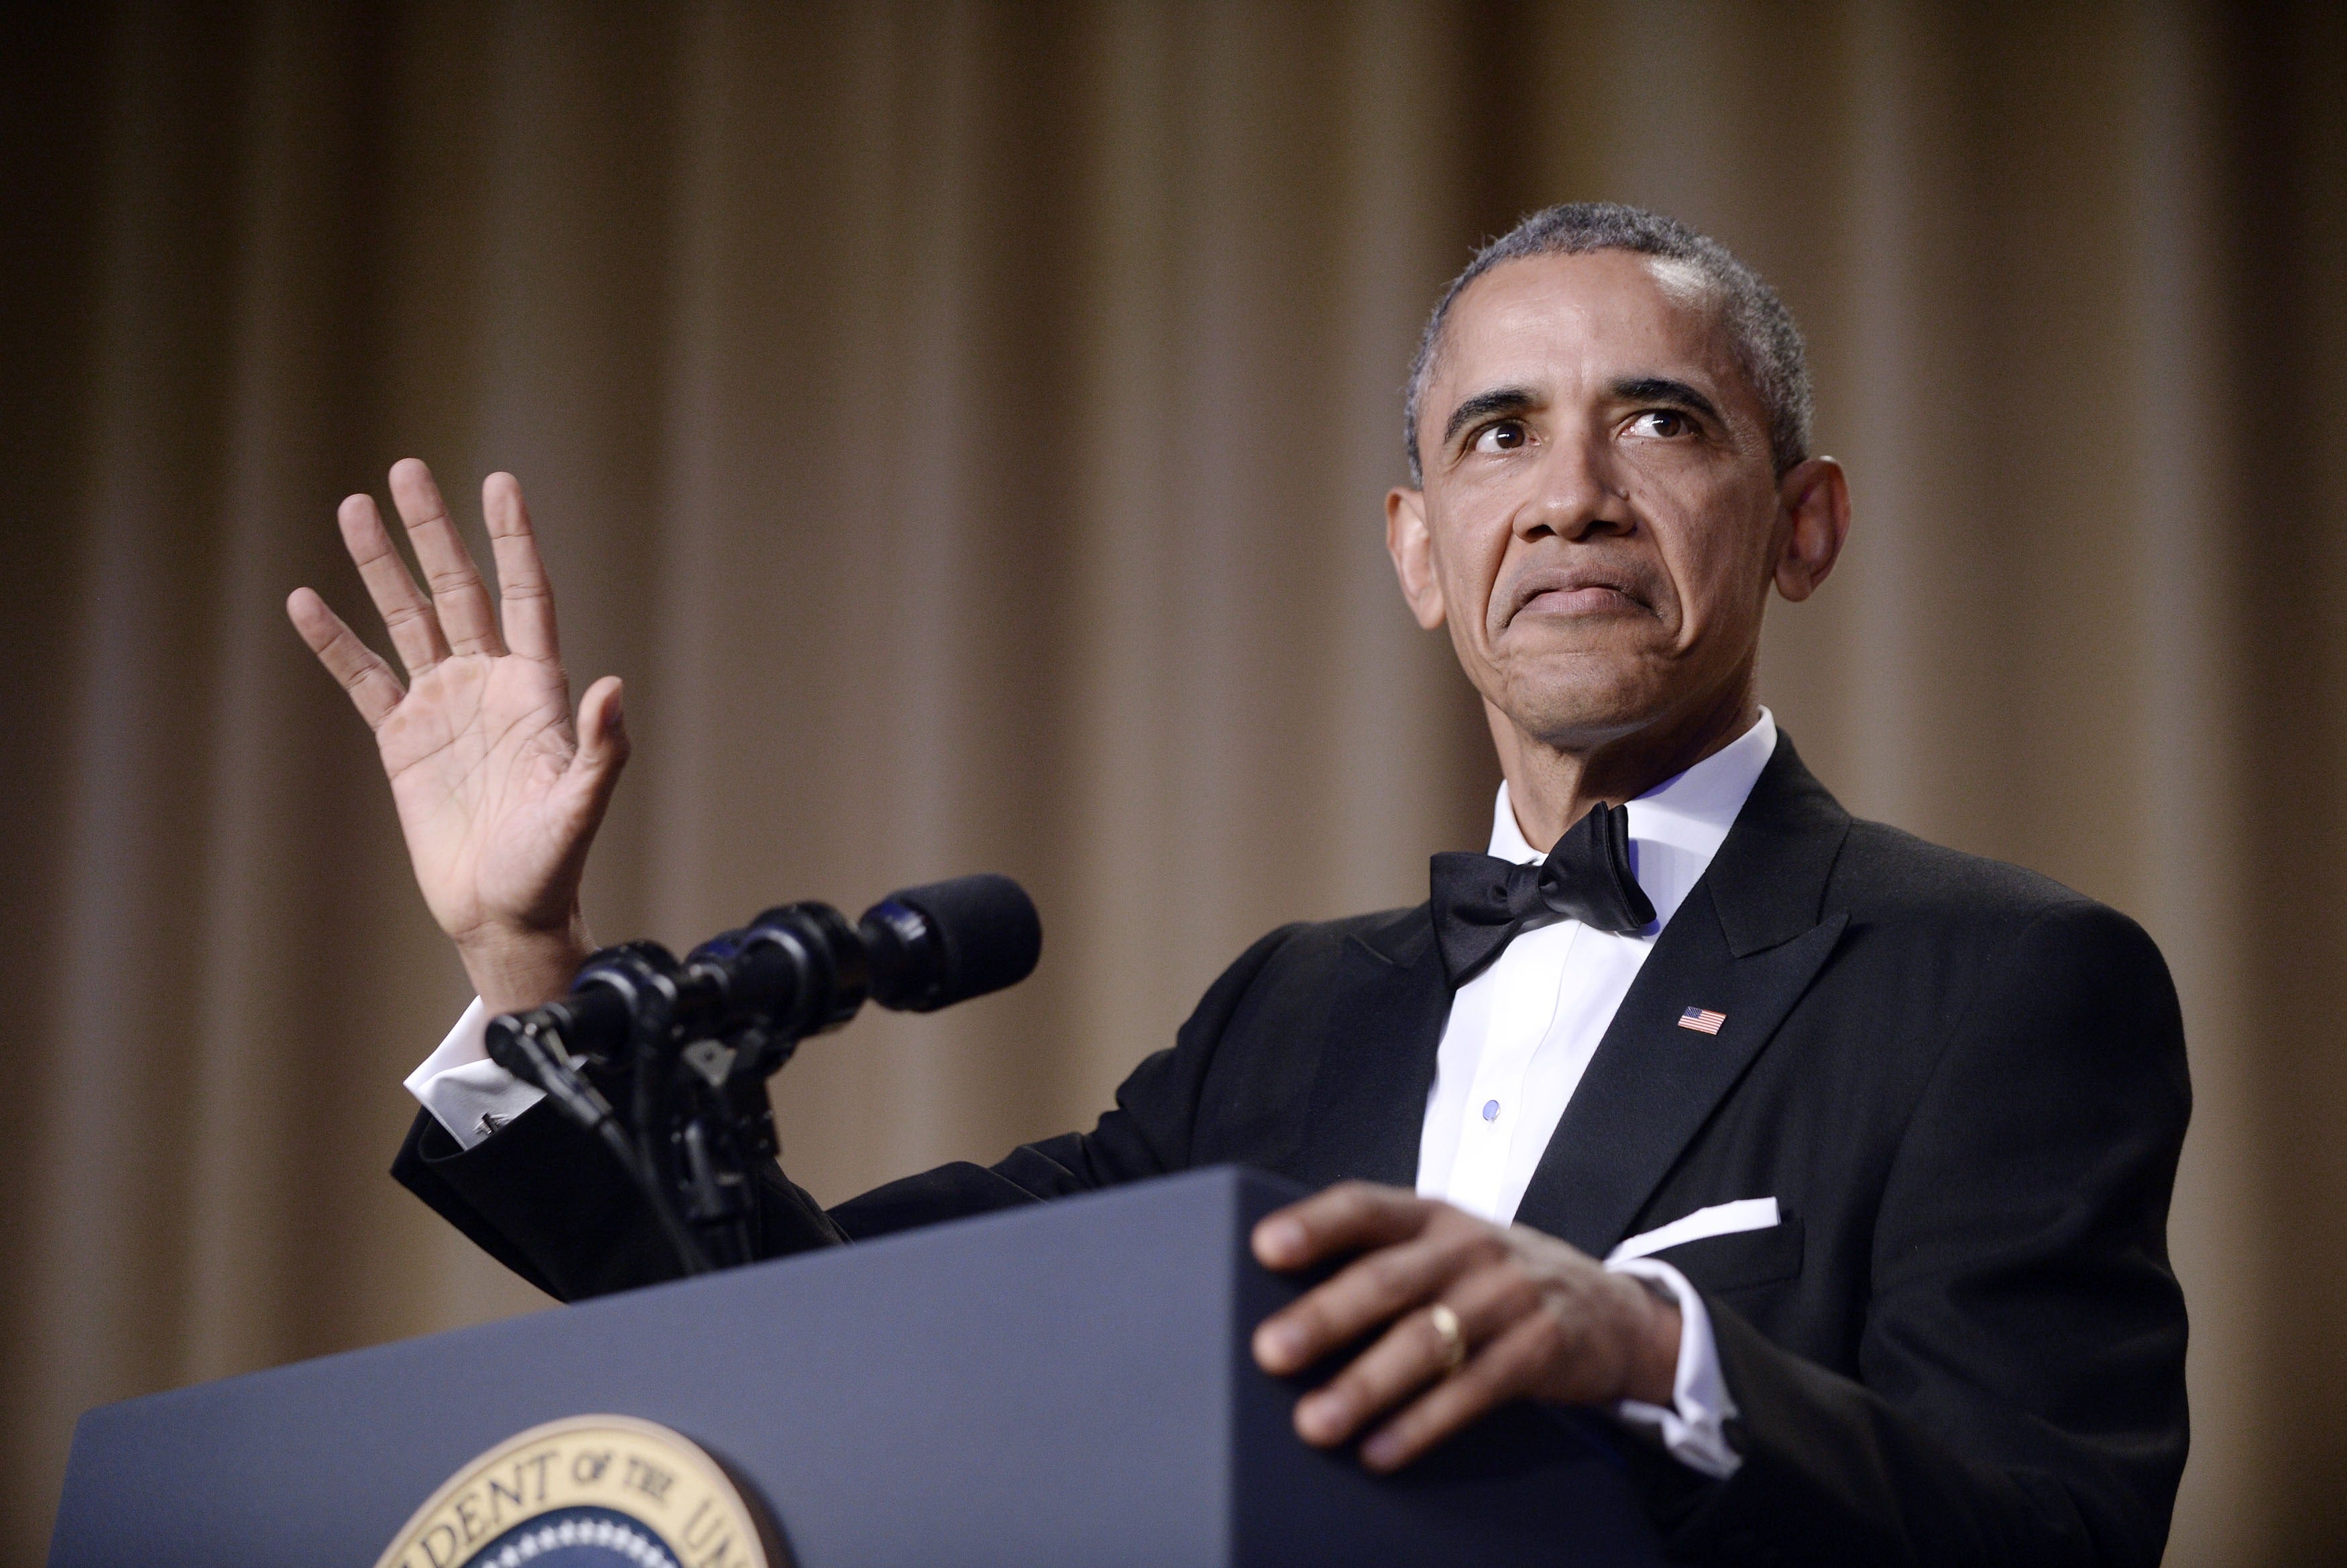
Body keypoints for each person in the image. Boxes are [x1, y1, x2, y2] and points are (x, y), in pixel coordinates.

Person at [288, 203, 2189, 1565]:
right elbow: (813, 1321)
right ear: (1420, 551)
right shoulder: (1294, 1005)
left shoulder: (2004, 980)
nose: (1571, 495)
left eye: (1661, 421)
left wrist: (1649, 1348)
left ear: (1803, 524)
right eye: (1494, 434)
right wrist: (524, 956)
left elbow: (2057, 1515)